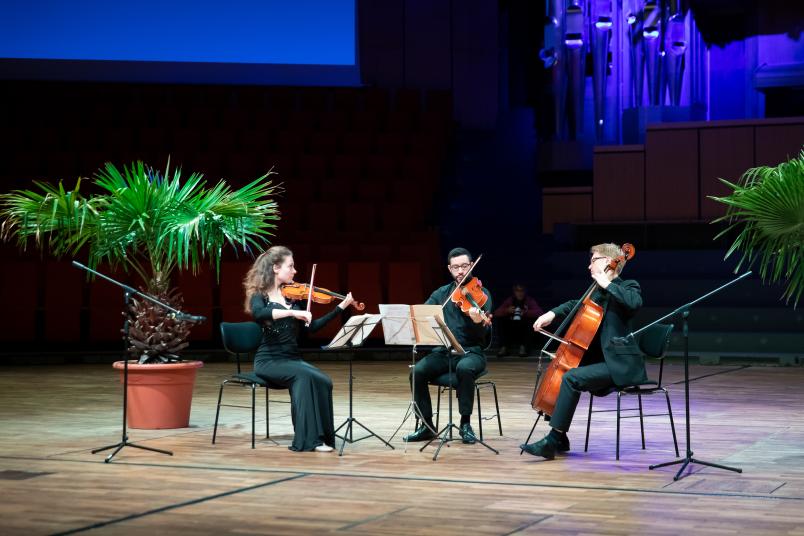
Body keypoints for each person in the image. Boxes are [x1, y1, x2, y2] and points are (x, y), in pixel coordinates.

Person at [521, 243, 644, 460]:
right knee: (561, 372)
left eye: (593, 260)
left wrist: (607, 284)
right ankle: (560, 437)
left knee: (570, 378)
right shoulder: (596, 291)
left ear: (608, 262)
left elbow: (634, 303)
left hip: (620, 365)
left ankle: (552, 441)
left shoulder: (628, 286)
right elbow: (575, 305)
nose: (589, 266)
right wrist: (551, 313)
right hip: (601, 361)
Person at [243, 245, 355, 453]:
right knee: (303, 378)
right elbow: (260, 315)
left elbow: (312, 327)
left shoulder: (291, 299)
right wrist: (293, 314)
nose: (295, 272)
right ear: (276, 268)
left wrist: (339, 308)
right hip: (269, 361)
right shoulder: (260, 296)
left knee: (323, 380)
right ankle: (308, 441)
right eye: (291, 266)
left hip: (292, 359)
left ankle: (323, 437)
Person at [403, 247, 493, 445]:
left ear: (471, 266)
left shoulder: (482, 294)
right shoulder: (441, 293)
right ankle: (426, 425)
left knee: (464, 368)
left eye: (464, 266)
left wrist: (478, 321)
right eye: (455, 267)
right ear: (449, 269)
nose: (460, 271)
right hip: (444, 352)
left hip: (472, 352)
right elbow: (423, 312)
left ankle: (465, 424)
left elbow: (484, 337)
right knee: (417, 371)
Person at [494, 283, 543, 357]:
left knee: (530, 321)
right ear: (514, 292)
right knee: (501, 320)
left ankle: (524, 347)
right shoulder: (510, 300)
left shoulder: (529, 300)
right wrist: (507, 310)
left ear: (525, 291)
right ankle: (504, 347)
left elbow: (540, 312)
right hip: (511, 329)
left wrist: (526, 312)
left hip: (525, 330)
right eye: (517, 291)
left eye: (522, 291)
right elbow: (496, 313)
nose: (520, 293)